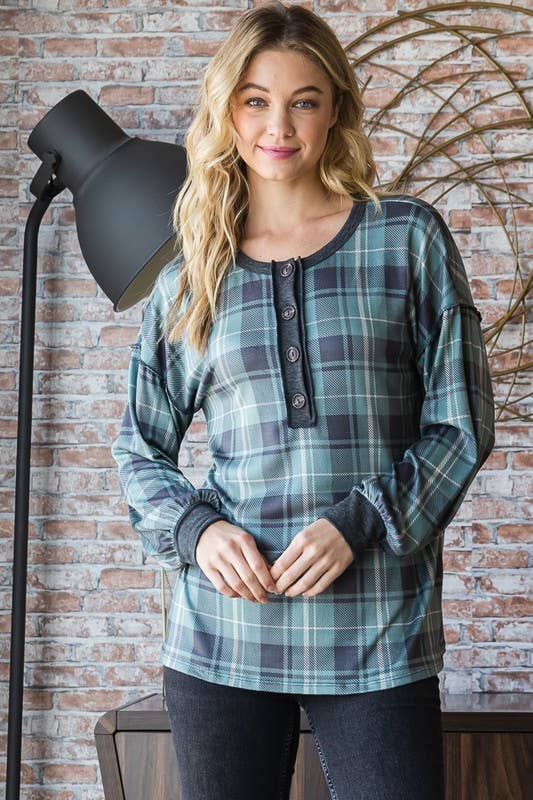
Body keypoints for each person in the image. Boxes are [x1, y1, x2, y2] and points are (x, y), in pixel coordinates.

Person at [111, 3, 495, 799]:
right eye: (255, 100)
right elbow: (138, 447)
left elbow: (459, 425)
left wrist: (359, 520)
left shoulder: (406, 239)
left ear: (335, 111)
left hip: (377, 629)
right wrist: (197, 530)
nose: (277, 126)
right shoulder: (191, 274)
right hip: (221, 636)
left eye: (303, 100)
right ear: (227, 111)